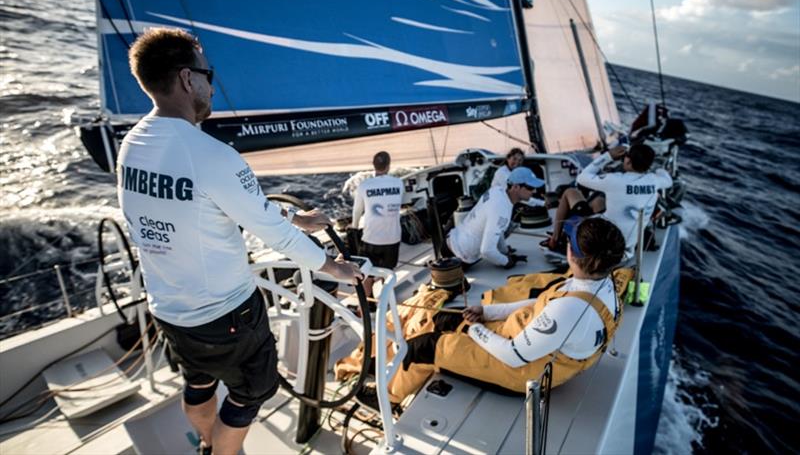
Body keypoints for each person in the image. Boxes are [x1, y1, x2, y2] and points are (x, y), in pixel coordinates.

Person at [117, 28, 362, 455]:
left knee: (198, 384)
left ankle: (206, 444)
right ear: (187, 79)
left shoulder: (132, 145)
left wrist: (295, 217)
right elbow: (273, 233)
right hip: (228, 316)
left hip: (170, 312)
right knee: (250, 394)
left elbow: (217, 203)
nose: (212, 86)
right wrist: (333, 267)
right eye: (207, 74)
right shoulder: (213, 155)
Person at [386, 217, 626, 403]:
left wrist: (473, 329)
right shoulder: (598, 285)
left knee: (421, 348)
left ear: (571, 253)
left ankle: (389, 398)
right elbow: (542, 303)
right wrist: (486, 313)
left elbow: (512, 355)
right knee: (446, 318)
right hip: (521, 340)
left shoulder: (571, 309)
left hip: (519, 371)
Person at [542, 144, 672, 261]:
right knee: (599, 202)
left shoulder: (614, 180)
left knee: (570, 192)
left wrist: (608, 156)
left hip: (600, 248)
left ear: (628, 161)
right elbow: (668, 179)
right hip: (625, 253)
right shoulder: (655, 181)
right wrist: (656, 170)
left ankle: (555, 240)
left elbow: (582, 178)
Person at [444, 167, 544, 269]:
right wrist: (507, 262)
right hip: (458, 255)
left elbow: (498, 230)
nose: (534, 191)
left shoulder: (497, 191)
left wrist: (505, 252)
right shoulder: (501, 208)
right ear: (515, 187)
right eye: (530, 188)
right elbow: (487, 250)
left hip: (453, 239)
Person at [351, 151, 404, 298]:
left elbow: (357, 211)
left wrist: (354, 227)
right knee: (388, 272)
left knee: (367, 274)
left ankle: (367, 305)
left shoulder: (364, 185)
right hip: (392, 238)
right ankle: (388, 300)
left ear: (373, 166)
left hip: (371, 239)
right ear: (388, 165)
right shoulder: (398, 183)